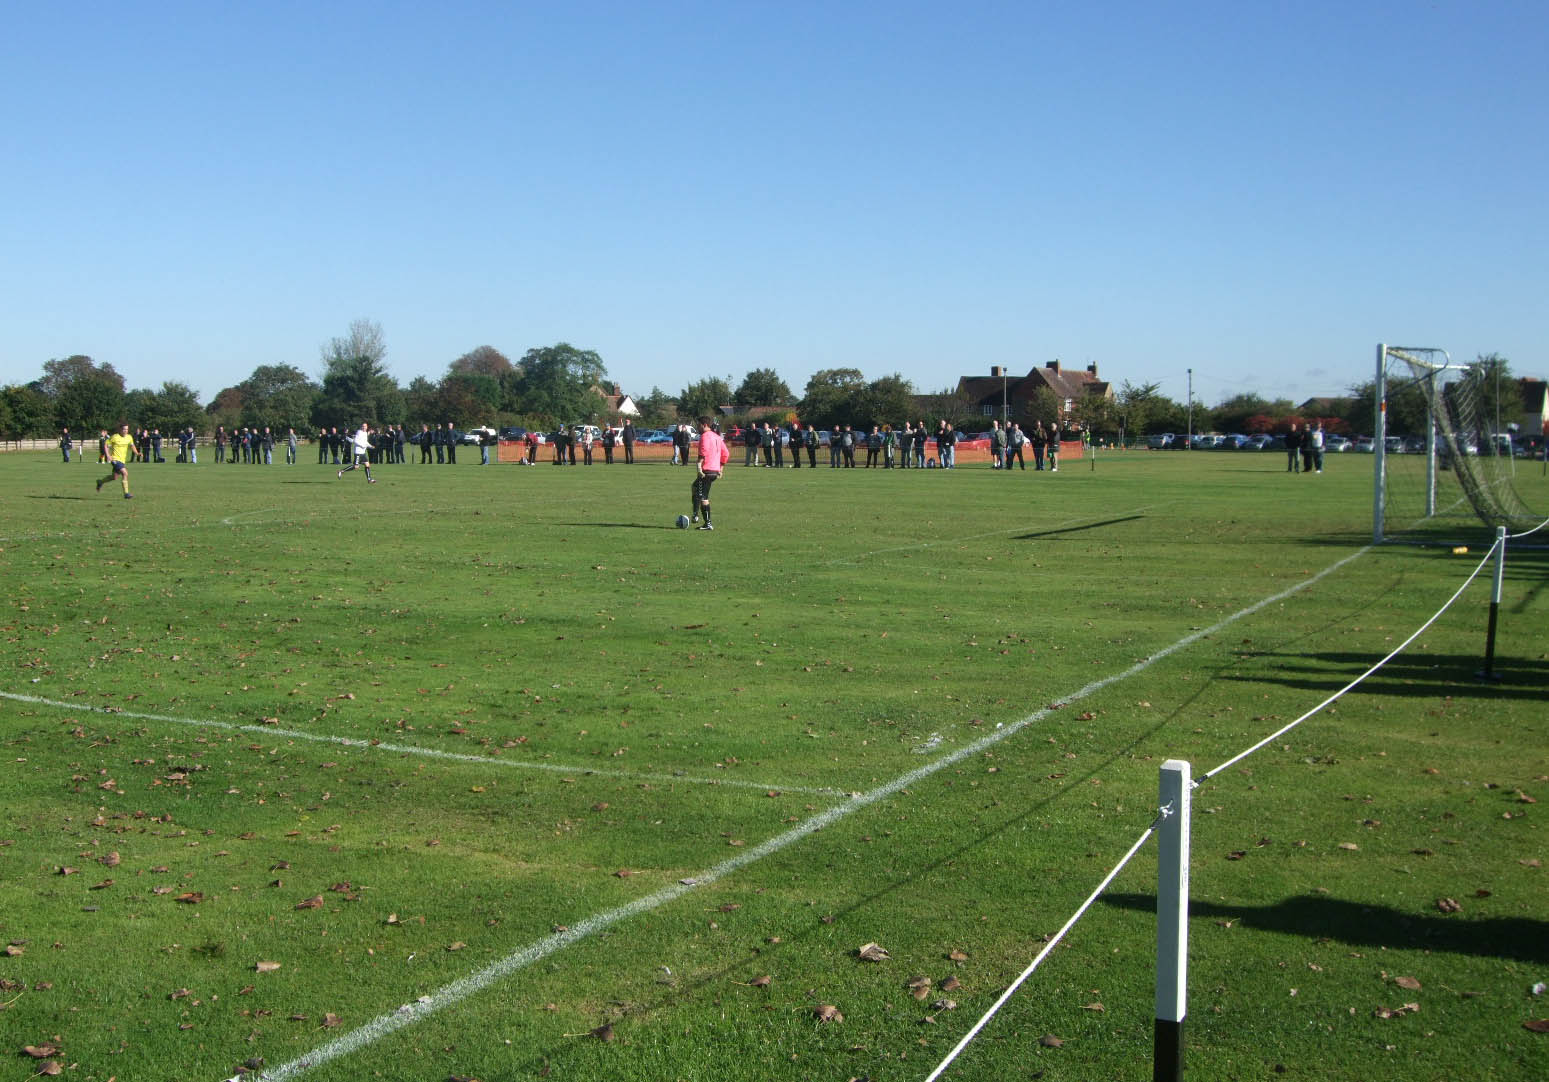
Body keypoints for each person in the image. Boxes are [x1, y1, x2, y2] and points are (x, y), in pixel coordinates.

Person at [690, 416, 730, 530]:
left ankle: (706, 523)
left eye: (698, 425)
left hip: (706, 471)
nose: (697, 427)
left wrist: (699, 466)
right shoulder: (717, 437)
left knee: (703, 496)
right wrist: (721, 468)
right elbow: (726, 453)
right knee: (695, 488)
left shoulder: (705, 436)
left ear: (704, 425)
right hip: (714, 471)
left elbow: (704, 451)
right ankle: (695, 514)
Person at [96, 423, 138, 499]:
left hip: (122, 461)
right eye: (124, 429)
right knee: (125, 473)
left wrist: (137, 453)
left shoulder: (129, 437)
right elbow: (106, 445)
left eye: (127, 429)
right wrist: (108, 455)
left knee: (114, 477)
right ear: (120, 429)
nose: (126, 431)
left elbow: (132, 446)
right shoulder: (115, 437)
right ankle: (126, 493)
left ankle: (100, 482)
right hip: (115, 459)